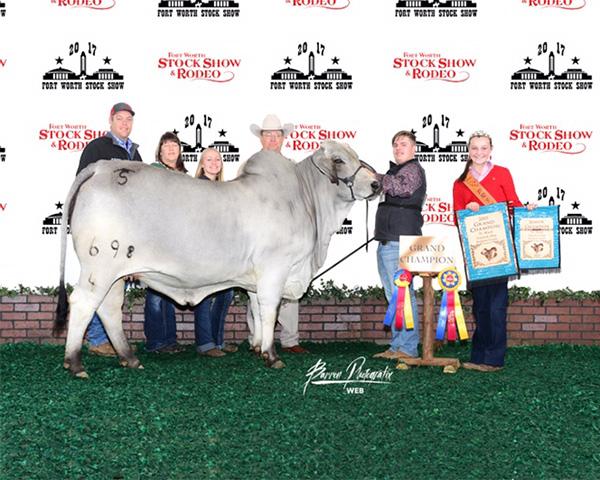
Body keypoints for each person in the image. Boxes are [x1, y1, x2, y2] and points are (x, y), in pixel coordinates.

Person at [452, 130, 535, 372]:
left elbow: (514, 205)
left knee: (496, 306)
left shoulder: (502, 173)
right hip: (476, 254)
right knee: (480, 307)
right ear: (469, 151)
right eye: (475, 148)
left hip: (501, 252)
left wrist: (527, 209)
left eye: (484, 148)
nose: (479, 152)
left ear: (491, 150)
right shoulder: (461, 182)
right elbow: (457, 217)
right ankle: (478, 356)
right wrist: (468, 209)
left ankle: (494, 359)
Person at [76, 102, 142, 357]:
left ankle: (109, 338)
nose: (125, 123)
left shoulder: (135, 153)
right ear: (110, 121)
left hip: (126, 228)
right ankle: (96, 338)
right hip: (102, 225)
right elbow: (82, 182)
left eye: (129, 120)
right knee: (99, 279)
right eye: (120, 119)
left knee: (116, 282)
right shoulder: (97, 147)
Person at [244, 114, 308, 354]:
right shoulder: (249, 166)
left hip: (285, 237)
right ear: (261, 138)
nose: (272, 139)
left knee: (288, 283)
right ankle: (256, 337)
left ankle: (290, 339)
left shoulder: (293, 167)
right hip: (257, 236)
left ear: (283, 138)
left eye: (276, 135)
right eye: (268, 135)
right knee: (254, 284)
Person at [373, 130, 426, 360]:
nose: (398, 147)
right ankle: (397, 345)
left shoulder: (413, 169)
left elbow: (401, 188)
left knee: (402, 294)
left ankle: (408, 348)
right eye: (395, 144)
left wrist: (374, 176)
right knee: (394, 294)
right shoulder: (396, 171)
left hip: (400, 240)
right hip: (388, 239)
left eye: (404, 144)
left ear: (414, 148)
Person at [143, 132, 188, 354]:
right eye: (166, 145)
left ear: (180, 150)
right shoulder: (153, 171)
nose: (171, 149)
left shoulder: (185, 175)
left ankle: (169, 340)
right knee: (155, 292)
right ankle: (155, 341)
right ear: (160, 151)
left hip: (178, 241)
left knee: (168, 291)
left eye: (174, 145)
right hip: (157, 238)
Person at [193, 148, 236, 357]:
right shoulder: (198, 186)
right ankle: (206, 343)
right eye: (209, 159)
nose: (214, 163)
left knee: (225, 293)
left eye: (217, 159)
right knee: (205, 294)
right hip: (204, 249)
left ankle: (217, 341)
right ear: (201, 164)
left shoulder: (224, 188)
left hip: (223, 249)